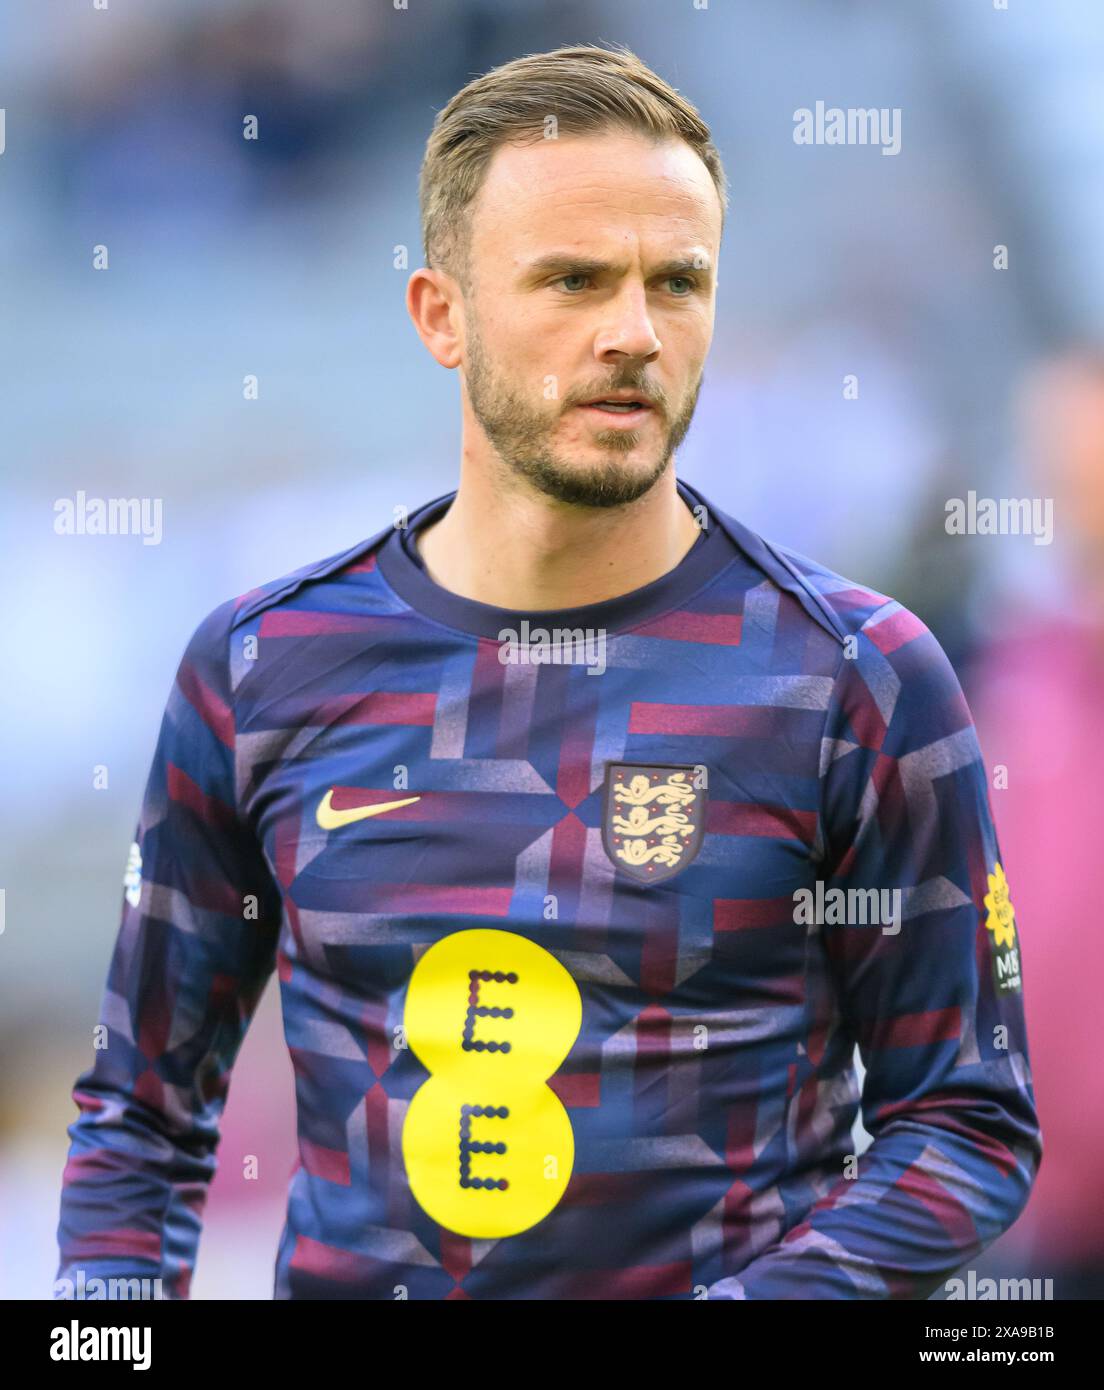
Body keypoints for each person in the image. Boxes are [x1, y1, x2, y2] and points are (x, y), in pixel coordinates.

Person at [56, 42, 1041, 1301]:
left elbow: (967, 1125)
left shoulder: (859, 677)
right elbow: (138, 1117)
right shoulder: (262, 668)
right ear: (441, 317)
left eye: (676, 282)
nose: (633, 333)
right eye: (573, 280)